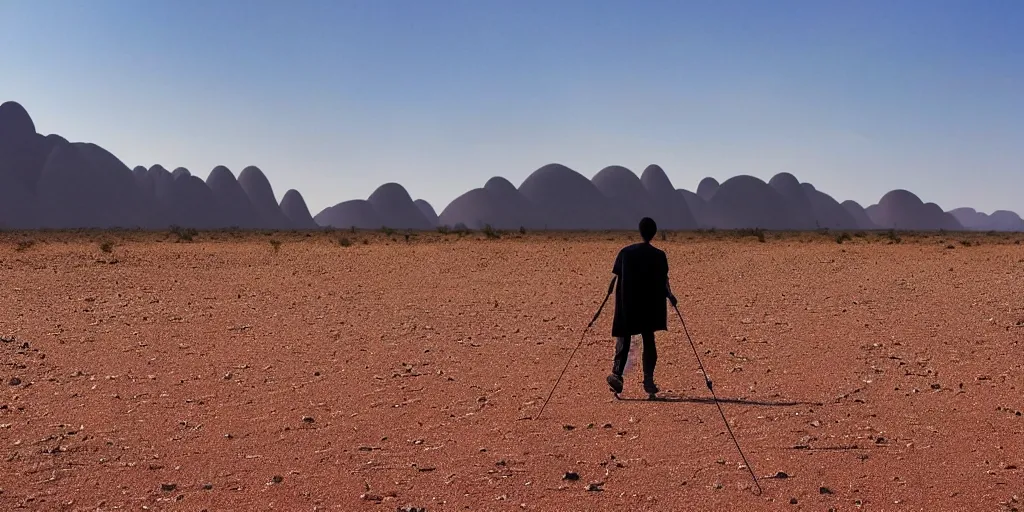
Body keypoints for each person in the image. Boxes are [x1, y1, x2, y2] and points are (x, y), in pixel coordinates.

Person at [606, 217, 677, 395]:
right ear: (653, 234)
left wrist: (607, 294)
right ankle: (648, 381)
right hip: (649, 305)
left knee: (624, 338)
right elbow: (664, 281)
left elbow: (615, 277)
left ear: (640, 231)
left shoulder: (625, 253)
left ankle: (617, 375)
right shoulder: (659, 256)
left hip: (628, 304)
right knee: (648, 339)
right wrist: (671, 296)